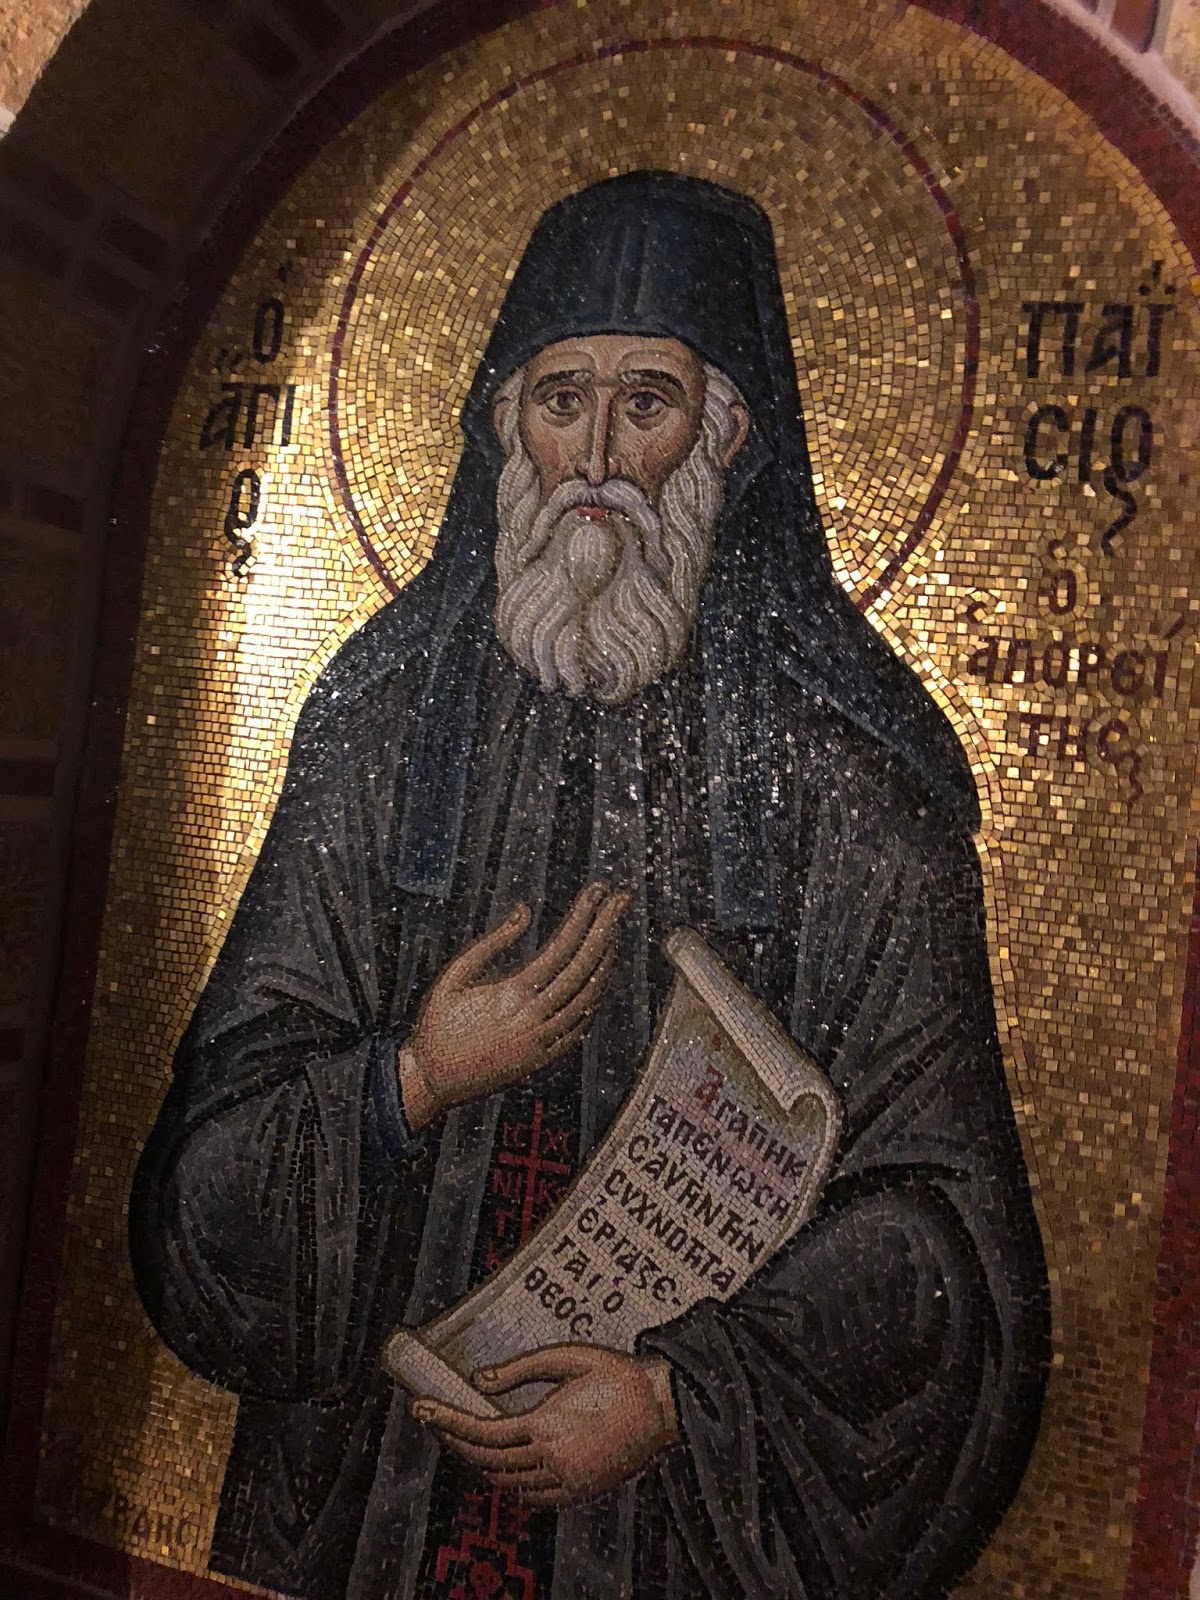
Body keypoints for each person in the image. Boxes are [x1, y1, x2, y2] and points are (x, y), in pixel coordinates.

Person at [130, 171, 1050, 1600]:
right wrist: (411, 1082)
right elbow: (203, 1190)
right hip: (372, 1500)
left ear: (727, 435)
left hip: (671, 1533)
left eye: (648, 403)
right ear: (507, 426)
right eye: (563, 401)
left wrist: (684, 1396)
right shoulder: (377, 731)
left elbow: (949, 1253)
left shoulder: (857, 779)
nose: (600, 458)